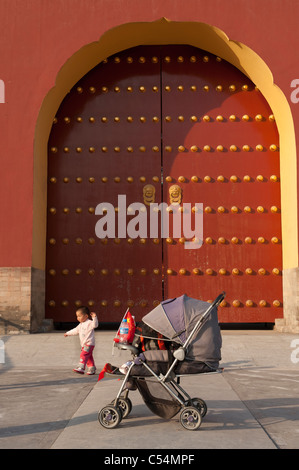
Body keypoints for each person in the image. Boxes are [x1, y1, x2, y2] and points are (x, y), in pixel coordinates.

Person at [64, 306, 98, 374]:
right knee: (89, 357)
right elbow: (75, 330)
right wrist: (68, 333)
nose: (78, 318)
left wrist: (94, 317)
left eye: (79, 316)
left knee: (84, 355)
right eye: (77, 316)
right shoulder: (81, 325)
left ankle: (81, 367)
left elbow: (95, 325)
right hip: (84, 344)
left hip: (89, 343)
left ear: (86, 316)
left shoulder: (89, 323)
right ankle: (91, 368)